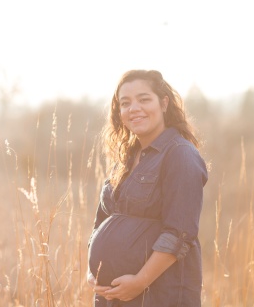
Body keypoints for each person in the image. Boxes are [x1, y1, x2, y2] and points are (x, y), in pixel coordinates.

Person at [86, 69, 208, 306]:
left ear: (164, 103)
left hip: (158, 294)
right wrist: (92, 272)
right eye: (125, 103)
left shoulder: (180, 154)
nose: (134, 108)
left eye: (144, 99)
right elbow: (101, 222)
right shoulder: (126, 159)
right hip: (112, 296)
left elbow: (179, 234)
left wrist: (140, 281)